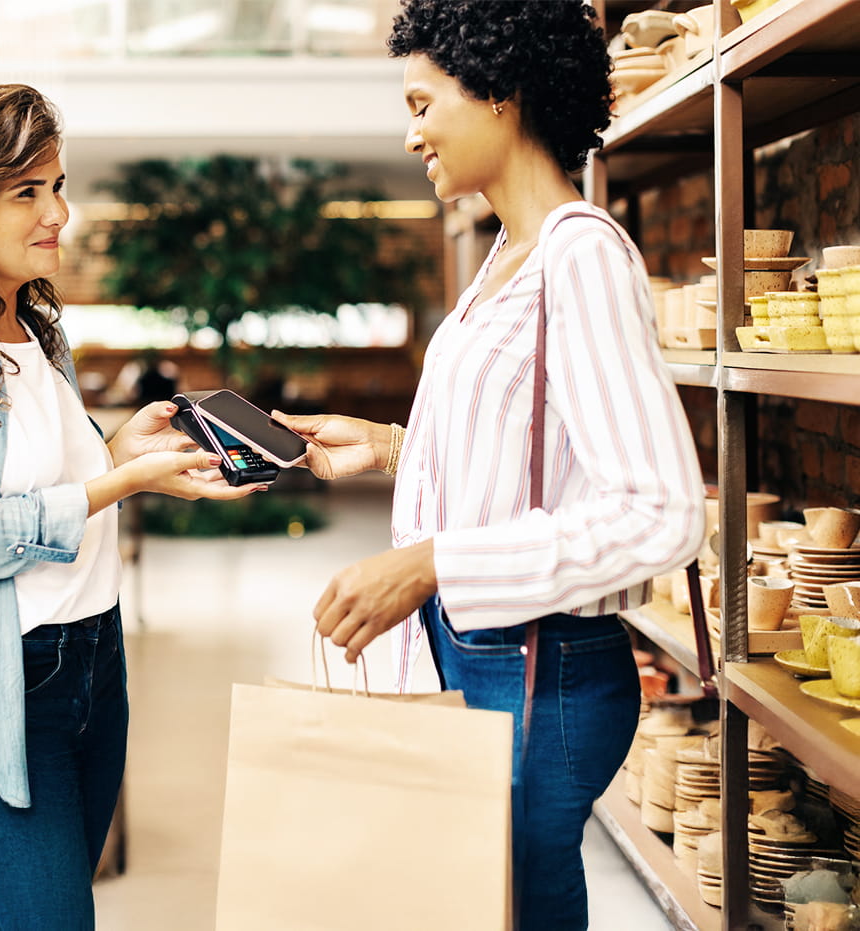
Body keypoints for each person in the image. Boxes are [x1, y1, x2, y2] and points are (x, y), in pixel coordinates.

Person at [273, 3, 706, 928]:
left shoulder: (579, 256)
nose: (411, 130)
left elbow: (661, 511)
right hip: (484, 651)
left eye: (425, 102)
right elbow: (536, 453)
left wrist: (432, 562)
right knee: (483, 902)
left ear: (501, 94)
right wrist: (391, 446)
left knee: (510, 902)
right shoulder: (509, 254)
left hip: (539, 670)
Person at [0, 83, 261, 929]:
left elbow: (33, 485)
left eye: (58, 185)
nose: (57, 213)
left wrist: (117, 450)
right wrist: (122, 483)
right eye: (26, 191)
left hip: (90, 670)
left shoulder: (34, 326)